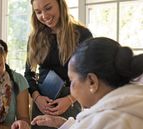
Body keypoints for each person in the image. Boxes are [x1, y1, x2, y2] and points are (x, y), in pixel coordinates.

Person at [31, 37, 143, 129]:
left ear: (92, 81)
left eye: (72, 81)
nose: (71, 90)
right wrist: (62, 124)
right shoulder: (133, 106)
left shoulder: (109, 120)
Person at [24, 0, 92, 128]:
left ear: (60, 4)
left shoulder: (82, 35)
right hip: (42, 103)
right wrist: (37, 98)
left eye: (48, 8)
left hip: (70, 101)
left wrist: (69, 99)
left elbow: (89, 74)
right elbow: (28, 74)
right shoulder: (34, 38)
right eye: (38, 12)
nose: (44, 16)